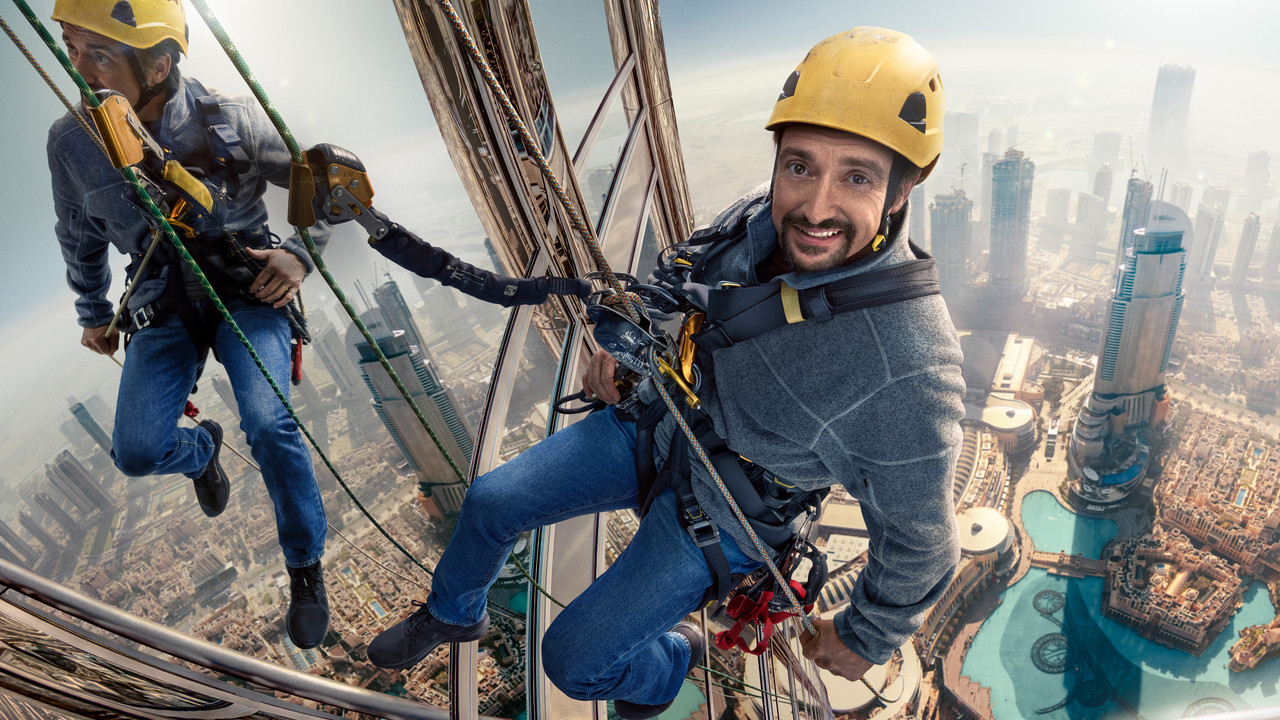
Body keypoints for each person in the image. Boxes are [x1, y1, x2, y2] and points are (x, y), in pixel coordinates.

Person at [367, 26, 964, 716]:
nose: (816, 205)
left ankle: (664, 670)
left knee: (573, 662)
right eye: (799, 165)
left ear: (904, 187)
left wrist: (866, 635)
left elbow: (922, 541)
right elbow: (675, 282)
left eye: (856, 176)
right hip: (660, 421)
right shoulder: (757, 220)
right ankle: (453, 612)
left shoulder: (910, 365)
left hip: (731, 510)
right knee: (492, 502)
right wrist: (623, 348)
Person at [48, 0, 331, 649]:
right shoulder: (72, 143)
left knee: (269, 422)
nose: (77, 65)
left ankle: (304, 567)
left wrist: (298, 252)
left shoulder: (227, 118)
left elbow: (313, 180)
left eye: (98, 52)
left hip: (245, 284)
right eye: (71, 45)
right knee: (138, 449)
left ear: (159, 62)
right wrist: (94, 313)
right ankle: (201, 450)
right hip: (160, 298)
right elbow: (78, 239)